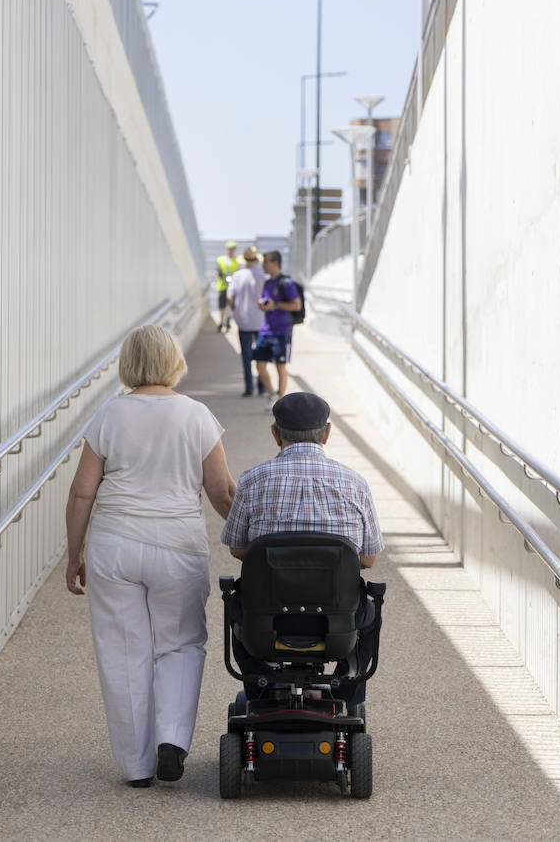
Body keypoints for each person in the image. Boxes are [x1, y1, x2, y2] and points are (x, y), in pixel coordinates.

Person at [64, 324, 237, 788]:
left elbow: (82, 494)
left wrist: (73, 554)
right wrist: (250, 541)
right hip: (178, 547)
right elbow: (221, 493)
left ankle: (137, 767)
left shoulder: (109, 415)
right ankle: (172, 741)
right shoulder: (196, 415)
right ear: (173, 360)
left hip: (114, 546)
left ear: (129, 363)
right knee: (180, 643)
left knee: (123, 652)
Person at [219, 392, 383, 706]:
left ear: (275, 434)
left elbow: (238, 550)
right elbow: (368, 558)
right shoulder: (355, 483)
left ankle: (262, 690)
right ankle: (347, 692)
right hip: (337, 619)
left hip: (265, 619)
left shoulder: (252, 480)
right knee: (370, 615)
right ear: (327, 432)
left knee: (235, 607)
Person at [250, 250, 302, 412]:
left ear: (274, 263)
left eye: (264, 262)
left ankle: (281, 403)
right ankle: (272, 392)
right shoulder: (267, 283)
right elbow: (266, 300)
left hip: (282, 331)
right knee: (259, 366)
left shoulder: (285, 282)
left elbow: (296, 305)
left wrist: (276, 305)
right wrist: (262, 304)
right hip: (266, 331)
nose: (262, 265)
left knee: (280, 367)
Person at [225, 246, 269, 397]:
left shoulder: (237, 276)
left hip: (243, 320)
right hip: (261, 320)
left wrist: (234, 310)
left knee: (246, 355)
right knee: (261, 355)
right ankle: (262, 387)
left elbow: (230, 297)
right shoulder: (263, 276)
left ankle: (249, 388)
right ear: (257, 260)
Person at [215, 240, 240, 332]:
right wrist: (221, 274)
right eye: (230, 249)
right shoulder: (221, 259)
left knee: (230, 305)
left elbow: (238, 272)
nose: (231, 250)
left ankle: (228, 320)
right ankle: (221, 322)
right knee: (222, 306)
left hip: (232, 287)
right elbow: (217, 269)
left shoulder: (236, 261)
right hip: (222, 286)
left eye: (233, 249)